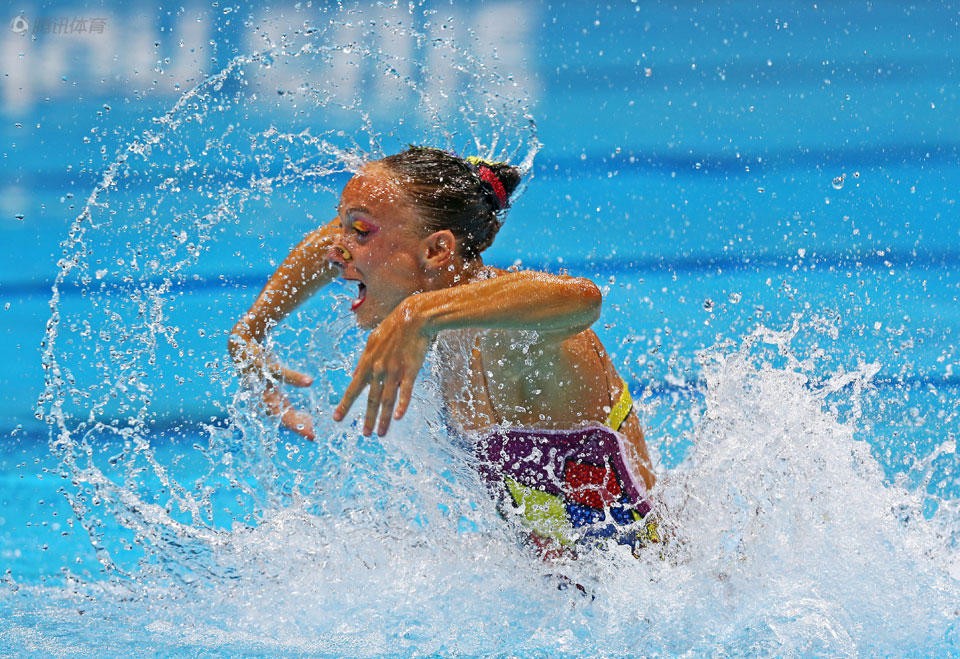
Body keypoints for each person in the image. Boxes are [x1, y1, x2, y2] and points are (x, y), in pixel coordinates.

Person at [229, 147, 659, 557]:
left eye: (360, 230)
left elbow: (582, 300)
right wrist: (253, 328)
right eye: (344, 226)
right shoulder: (451, 317)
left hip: (650, 602)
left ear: (437, 250)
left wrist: (419, 312)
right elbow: (330, 242)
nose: (337, 250)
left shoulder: (505, 333)